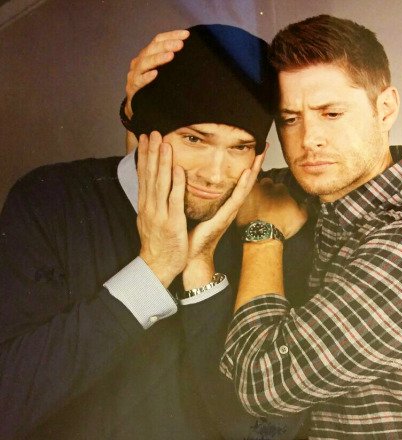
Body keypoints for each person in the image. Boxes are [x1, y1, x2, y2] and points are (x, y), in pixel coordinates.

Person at [0, 24, 310, 439]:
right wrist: (153, 271)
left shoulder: (267, 227)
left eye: (240, 147)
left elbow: (267, 431)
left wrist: (201, 274)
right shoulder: (51, 200)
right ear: (146, 131)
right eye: (194, 139)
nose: (215, 174)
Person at [216, 15, 402, 440]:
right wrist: (139, 113)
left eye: (331, 113)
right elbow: (203, 186)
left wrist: (263, 233)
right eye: (290, 119)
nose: (309, 139)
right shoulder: (314, 190)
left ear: (385, 109)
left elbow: (263, 384)